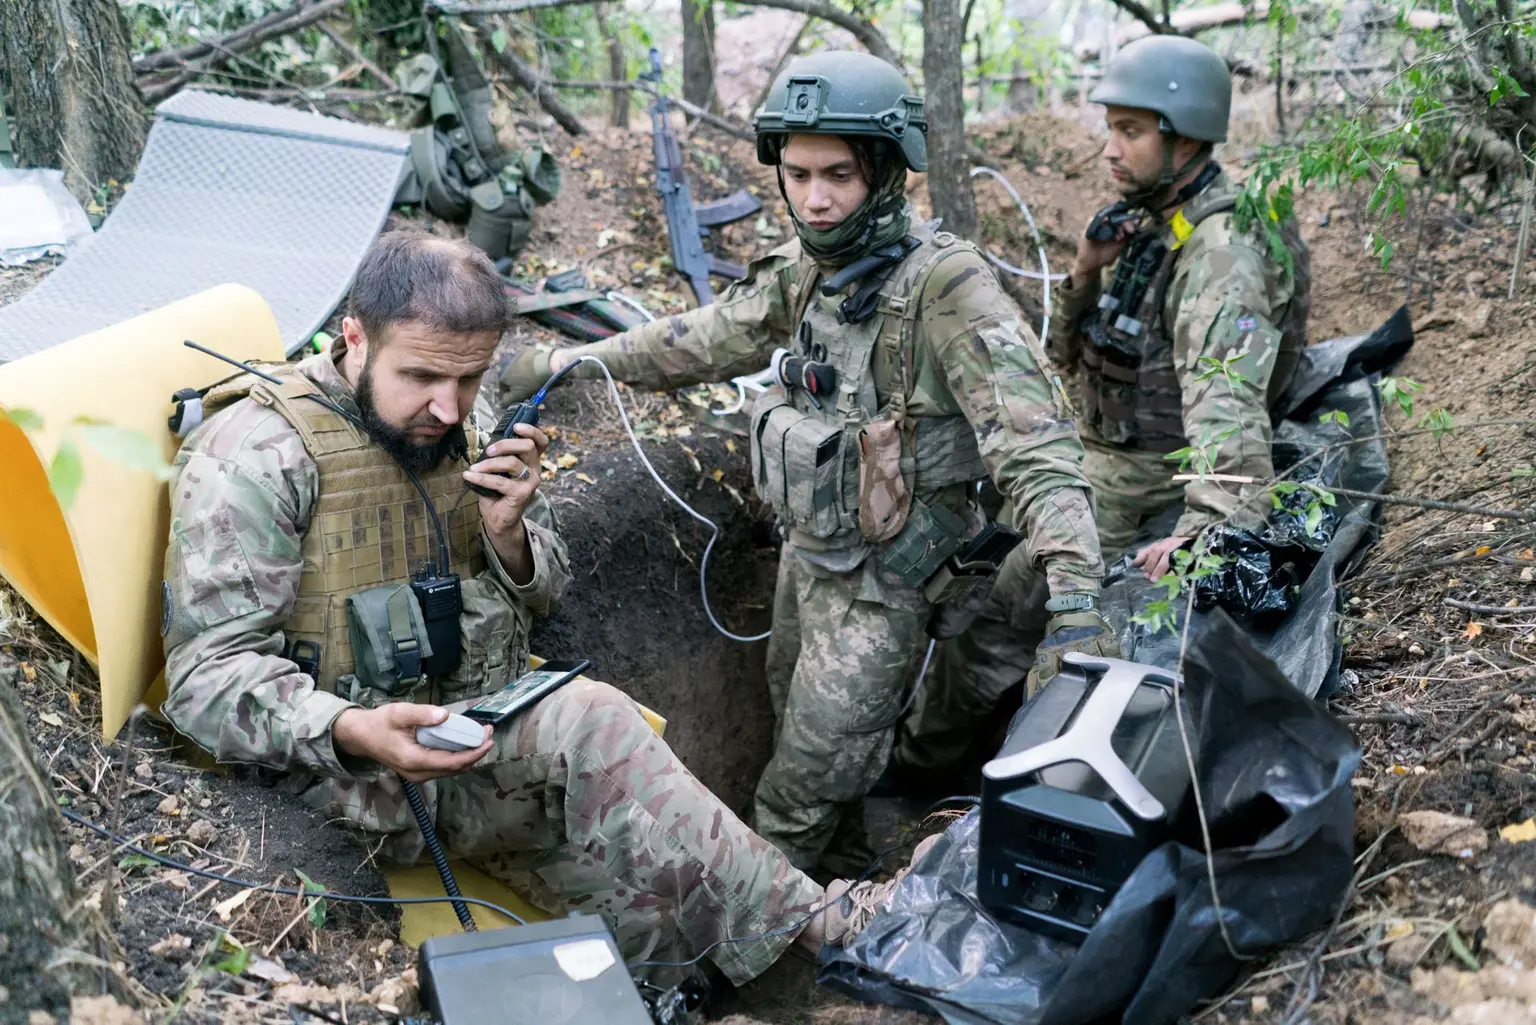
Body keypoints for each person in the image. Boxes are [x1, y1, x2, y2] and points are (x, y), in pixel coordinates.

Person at [159, 231, 927, 987]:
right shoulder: (258, 455)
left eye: (468, 379)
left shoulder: (461, 416)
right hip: (332, 773)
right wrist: (350, 729)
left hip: (459, 736)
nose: (449, 406)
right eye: (422, 375)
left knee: (654, 890)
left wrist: (509, 532)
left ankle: (692, 991)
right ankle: (835, 921)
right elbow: (205, 678)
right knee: (591, 720)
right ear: (354, 338)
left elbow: (547, 588)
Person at [498, 52, 1115, 878]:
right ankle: (846, 873)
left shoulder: (945, 289)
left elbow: (1038, 450)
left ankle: (744, 957)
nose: (816, 199)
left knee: (798, 789)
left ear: (888, 172)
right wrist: (568, 362)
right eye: (798, 174)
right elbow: (706, 338)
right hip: (808, 560)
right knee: (803, 738)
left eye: (839, 175)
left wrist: (1076, 605)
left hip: (888, 585)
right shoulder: (811, 271)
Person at [888, 34, 1311, 784]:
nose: (1110, 150)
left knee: (998, 616)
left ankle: (925, 777)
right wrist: (1084, 270)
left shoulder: (1221, 253)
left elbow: (1229, 407)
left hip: (1141, 472)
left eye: (1131, 131)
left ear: (1184, 138)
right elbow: (1066, 361)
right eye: (1110, 127)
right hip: (1099, 445)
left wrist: (1206, 530)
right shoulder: (1156, 215)